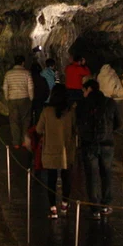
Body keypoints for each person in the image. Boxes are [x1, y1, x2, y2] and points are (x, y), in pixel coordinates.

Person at [77, 78, 121, 219]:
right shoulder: (110, 103)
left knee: (92, 176)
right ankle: (106, 204)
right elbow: (119, 123)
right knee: (106, 174)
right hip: (107, 143)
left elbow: (77, 124)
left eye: (84, 90)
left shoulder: (83, 104)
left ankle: (95, 207)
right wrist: (109, 131)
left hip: (89, 144)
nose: (83, 93)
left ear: (89, 89)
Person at [36, 85, 76, 219]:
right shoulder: (70, 111)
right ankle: (65, 204)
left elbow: (38, 129)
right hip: (66, 150)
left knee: (51, 180)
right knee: (66, 178)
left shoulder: (47, 111)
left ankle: (53, 208)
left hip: (51, 150)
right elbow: (75, 128)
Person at [2, 56, 34, 149]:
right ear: (22, 63)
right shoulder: (27, 73)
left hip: (12, 99)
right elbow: (30, 87)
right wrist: (31, 98)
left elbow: (5, 87)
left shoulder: (8, 74)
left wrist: (7, 97)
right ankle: (24, 141)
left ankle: (16, 142)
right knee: (26, 120)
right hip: (24, 98)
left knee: (14, 121)